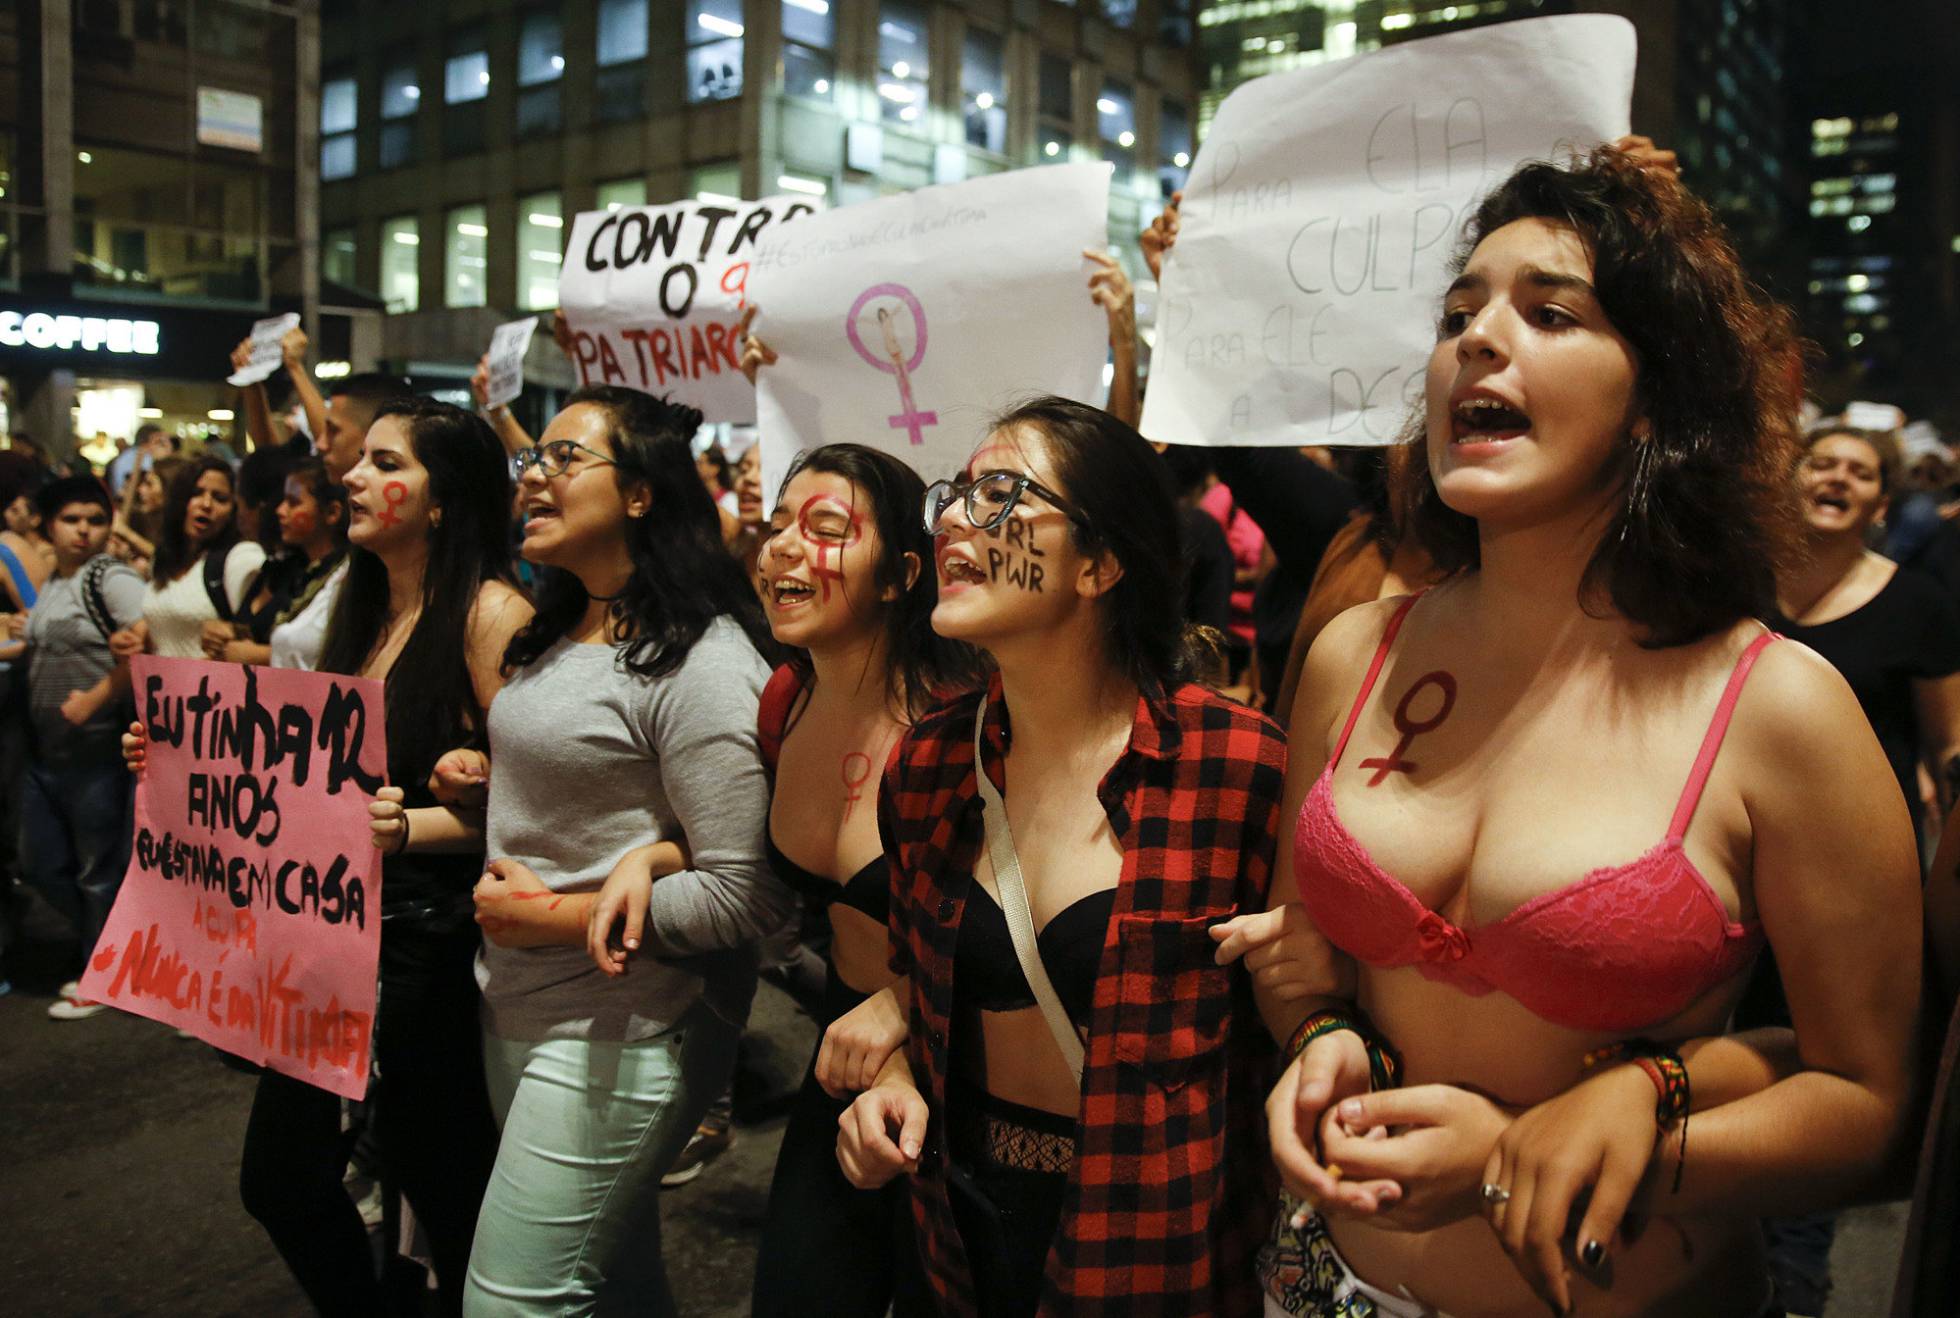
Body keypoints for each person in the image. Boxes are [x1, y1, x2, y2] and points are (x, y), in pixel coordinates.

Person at [1233, 146, 1917, 1318]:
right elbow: (1305, 956)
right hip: (1322, 1285)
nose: (1477, 341)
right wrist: (1323, 1034)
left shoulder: (1777, 707)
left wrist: (1569, 1140)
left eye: (1548, 313)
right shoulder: (1354, 651)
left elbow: (1868, 1101)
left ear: (1654, 397)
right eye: (1458, 315)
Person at [834, 397, 1286, 1315]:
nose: (954, 520)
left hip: (1153, 1250)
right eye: (956, 494)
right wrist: (891, 1076)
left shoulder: (1235, 767)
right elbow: (918, 989)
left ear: (1100, 563)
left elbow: (1296, 1014)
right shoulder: (929, 763)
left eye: (1000, 494)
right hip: (957, 1231)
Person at [126, 398, 531, 1314]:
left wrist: (419, 822)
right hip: (329, 936)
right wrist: (178, 761)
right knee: (280, 1179)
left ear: (441, 500)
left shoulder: (492, 615)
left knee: (442, 1182)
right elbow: (307, 780)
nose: (352, 475)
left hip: (426, 950)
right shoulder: (363, 607)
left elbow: (537, 810)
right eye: (362, 459)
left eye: (386, 463)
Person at [457, 386, 787, 1316]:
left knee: (513, 1303)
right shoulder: (553, 630)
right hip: (517, 1002)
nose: (534, 476)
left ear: (641, 493)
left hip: (630, 1022)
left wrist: (553, 920)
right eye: (532, 459)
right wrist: (479, 785)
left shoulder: (702, 660)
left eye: (565, 458)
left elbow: (747, 894)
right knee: (613, 1289)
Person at [677, 443, 975, 1315]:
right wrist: (653, 859)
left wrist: (904, 1002)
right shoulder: (785, 700)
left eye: (826, 529)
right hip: (844, 1053)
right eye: (776, 526)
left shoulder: (962, 725)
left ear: (902, 575)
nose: (781, 547)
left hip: (967, 1066)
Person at [1770, 425, 1960, 841]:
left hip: (1868, 840)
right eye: (1823, 465)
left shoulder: (1918, 605)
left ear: (1881, 507)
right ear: (1790, 483)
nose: (1839, 478)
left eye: (1861, 473)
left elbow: (1947, 744)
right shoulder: (1737, 585)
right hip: (1746, 830)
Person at [1, 477, 144, 1019]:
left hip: (96, 751)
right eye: (71, 519)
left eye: (96, 520)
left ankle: (102, 973)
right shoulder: (58, 580)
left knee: (96, 870)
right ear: (49, 525)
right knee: (39, 863)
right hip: (47, 755)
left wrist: (96, 698)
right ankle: (108, 946)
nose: (84, 530)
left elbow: (147, 645)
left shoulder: (110, 577)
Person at [109, 456, 265, 662]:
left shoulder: (241, 558)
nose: (206, 504)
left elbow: (258, 638)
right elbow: (165, 628)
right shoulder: (165, 559)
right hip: (159, 682)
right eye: (196, 493)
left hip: (210, 683)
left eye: (220, 498)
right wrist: (131, 642)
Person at [200, 457, 348, 670]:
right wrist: (224, 633)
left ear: (332, 512)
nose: (280, 510)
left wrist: (261, 655)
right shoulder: (286, 569)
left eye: (293, 502)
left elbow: (326, 650)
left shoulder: (344, 573)